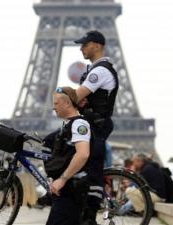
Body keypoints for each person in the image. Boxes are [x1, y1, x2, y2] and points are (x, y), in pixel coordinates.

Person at [74, 30, 119, 224]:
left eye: (85, 44)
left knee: (92, 170)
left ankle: (89, 215)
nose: (81, 48)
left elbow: (76, 96)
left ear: (97, 45)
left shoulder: (100, 70)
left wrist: (61, 94)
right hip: (90, 122)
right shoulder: (94, 69)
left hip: (96, 125)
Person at [44, 86, 91, 225]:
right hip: (67, 190)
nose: (53, 107)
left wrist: (62, 179)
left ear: (67, 103)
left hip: (71, 190)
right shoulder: (68, 125)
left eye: (56, 103)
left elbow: (83, 154)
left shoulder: (78, 124)